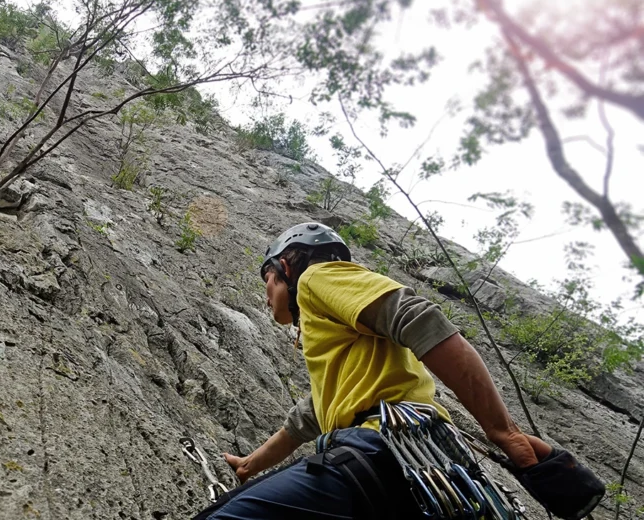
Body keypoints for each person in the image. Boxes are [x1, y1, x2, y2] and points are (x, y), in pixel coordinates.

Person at [193, 222, 604, 520]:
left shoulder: (317, 278)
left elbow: (419, 320)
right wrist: (250, 466)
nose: (266, 296)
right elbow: (308, 418)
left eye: (266, 279)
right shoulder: (349, 356)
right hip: (423, 471)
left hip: (380, 453)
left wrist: (504, 431)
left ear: (284, 266)